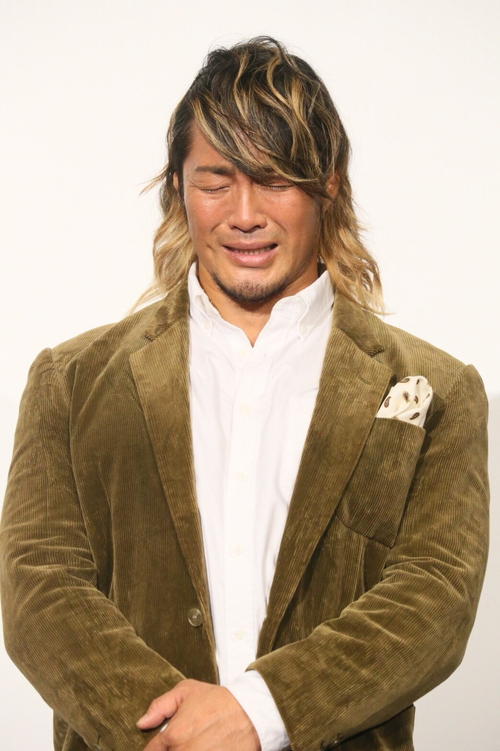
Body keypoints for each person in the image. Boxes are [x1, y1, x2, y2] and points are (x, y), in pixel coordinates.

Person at [0, 36, 489, 751]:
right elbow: (38, 591)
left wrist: (259, 713)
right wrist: (179, 735)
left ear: (329, 184)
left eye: (276, 179)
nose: (245, 214)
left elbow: (434, 598)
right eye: (216, 180)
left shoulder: (439, 392)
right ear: (178, 186)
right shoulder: (71, 382)